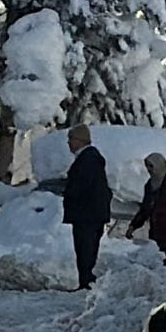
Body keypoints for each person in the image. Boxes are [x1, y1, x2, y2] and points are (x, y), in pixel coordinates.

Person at [61, 124, 111, 290]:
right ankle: (86, 280)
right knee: (86, 248)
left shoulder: (87, 159)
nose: (68, 143)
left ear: (80, 141)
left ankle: (86, 281)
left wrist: (70, 195)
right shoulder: (90, 158)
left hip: (86, 214)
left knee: (85, 248)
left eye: (71, 139)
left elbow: (82, 186)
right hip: (90, 213)